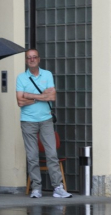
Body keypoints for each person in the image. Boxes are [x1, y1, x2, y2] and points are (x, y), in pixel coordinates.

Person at [16, 49, 72, 199]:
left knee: (52, 154)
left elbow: (52, 96)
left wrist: (29, 95)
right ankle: (36, 188)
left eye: (34, 57)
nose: (32, 59)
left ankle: (57, 187)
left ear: (39, 59)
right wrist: (40, 97)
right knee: (32, 156)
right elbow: (20, 101)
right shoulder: (21, 78)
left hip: (45, 119)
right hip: (28, 120)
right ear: (26, 61)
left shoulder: (47, 75)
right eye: (29, 58)